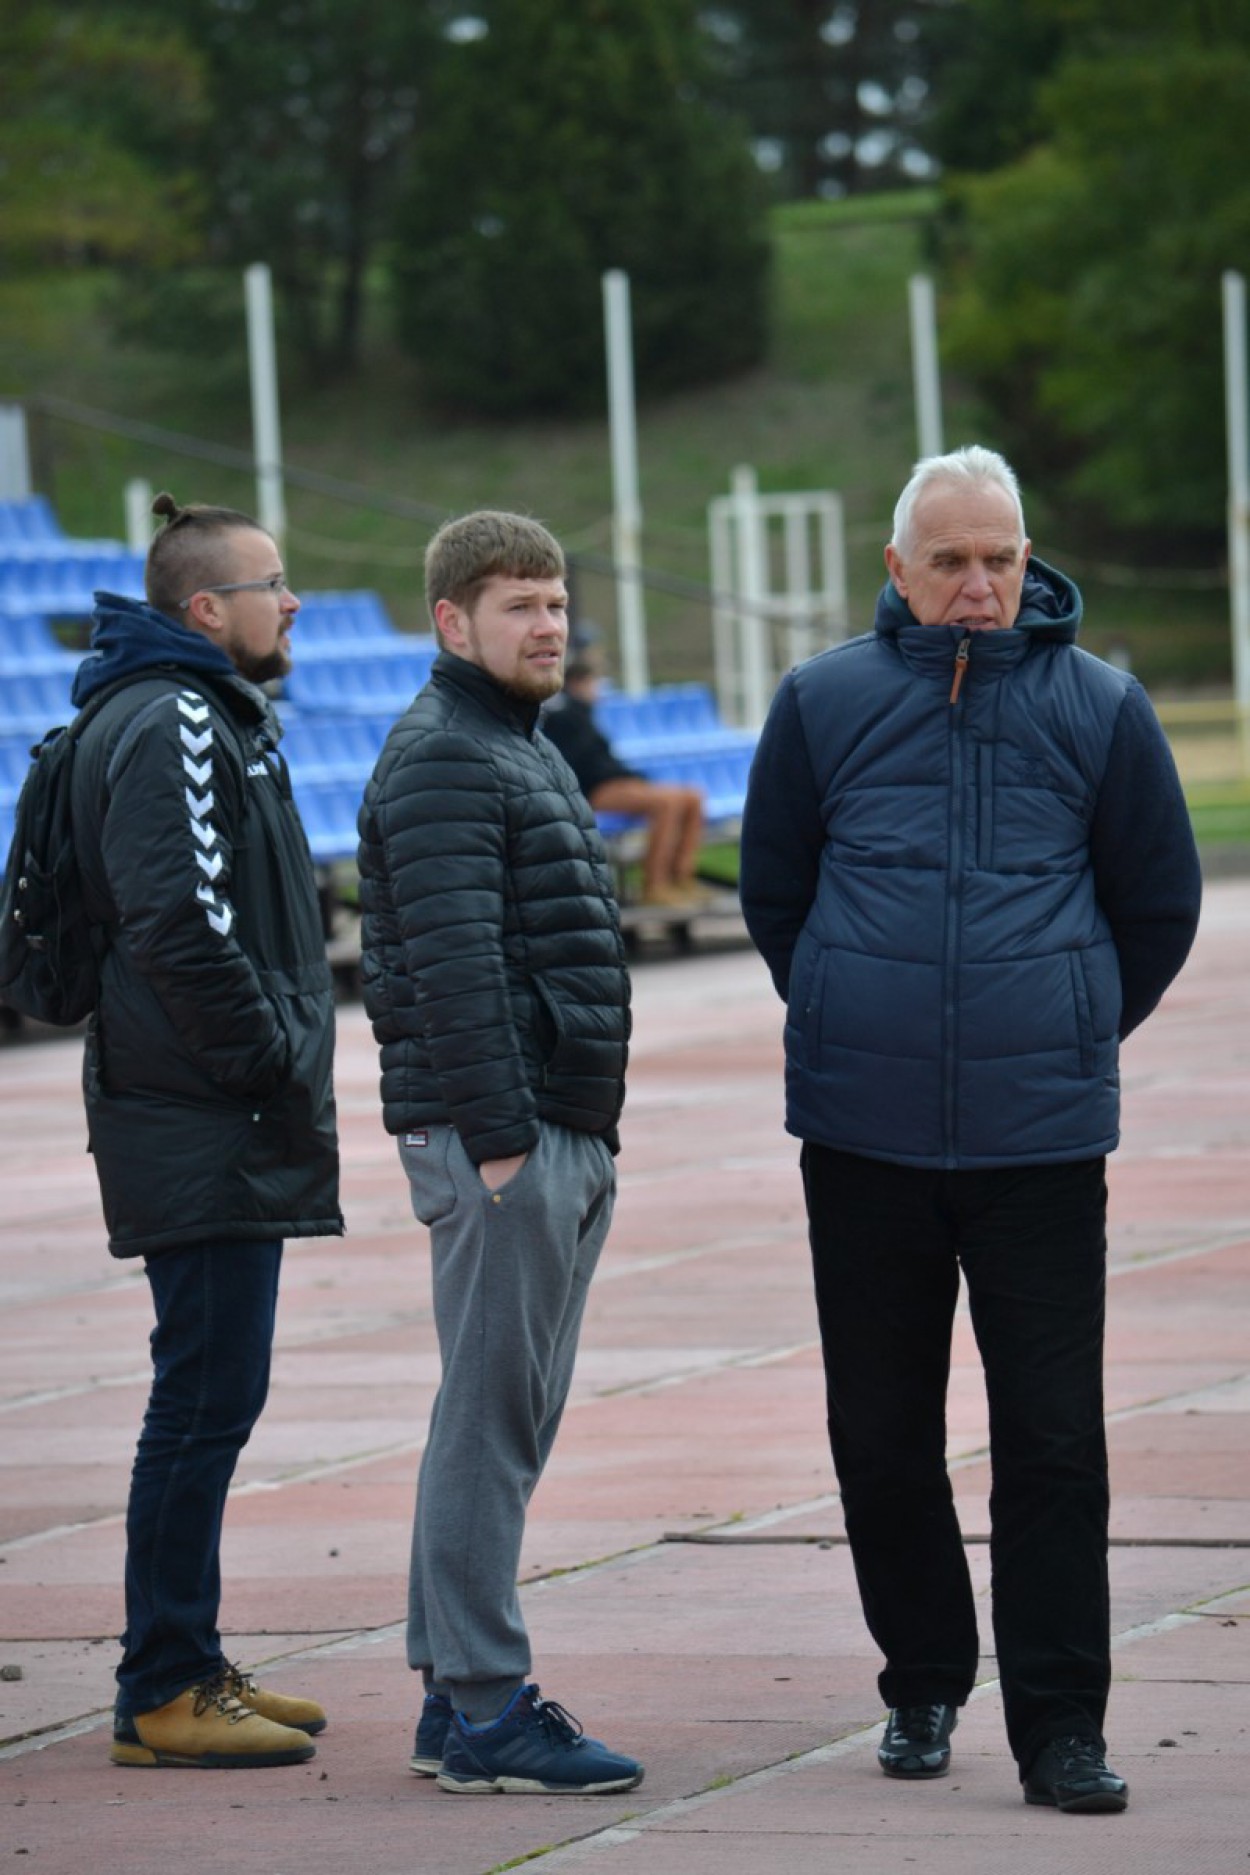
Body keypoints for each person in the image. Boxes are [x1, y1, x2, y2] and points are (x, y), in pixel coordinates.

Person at [739, 446, 1201, 1816]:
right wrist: (852, 1009)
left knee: (1051, 1440)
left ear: (1026, 559)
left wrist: (1064, 1025)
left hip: (1037, 1143)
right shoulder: (819, 701)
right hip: (861, 1135)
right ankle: (922, 1679)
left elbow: (1155, 906)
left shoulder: (1101, 706)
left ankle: (1060, 1726)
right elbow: (775, 894)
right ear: (897, 568)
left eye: (998, 558)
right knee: (881, 1432)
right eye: (948, 560)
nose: (977, 584)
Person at [356, 510, 642, 1796]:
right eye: (518, 604)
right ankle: (484, 1706)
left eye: (556, 601)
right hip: (506, 1140)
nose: (547, 624)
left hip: (550, 1126)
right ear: (451, 621)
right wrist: (504, 1148)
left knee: (492, 1419)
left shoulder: (512, 743)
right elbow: (455, 968)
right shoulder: (443, 756)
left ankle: (448, 1695)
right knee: (490, 1425)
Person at [69, 492, 342, 1769]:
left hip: (204, 1105)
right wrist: (269, 1060)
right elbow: (178, 922)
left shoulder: (200, 709)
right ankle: (163, 1685)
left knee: (215, 1391)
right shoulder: (175, 715)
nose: (292, 603)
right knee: (201, 1397)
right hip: (202, 1109)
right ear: (204, 609)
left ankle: (184, 1656)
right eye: (270, 585)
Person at [542, 651, 709, 908]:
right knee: (667, 803)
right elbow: (582, 764)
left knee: (692, 797)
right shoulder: (564, 717)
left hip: (614, 782)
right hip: (597, 789)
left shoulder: (584, 714)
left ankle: (682, 878)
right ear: (577, 684)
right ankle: (654, 885)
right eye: (593, 682)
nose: (598, 689)